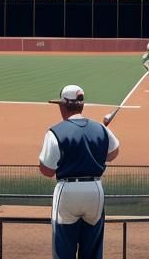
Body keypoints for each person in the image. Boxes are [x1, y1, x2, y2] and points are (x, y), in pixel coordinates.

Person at [39, 84, 120, 259]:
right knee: (92, 249)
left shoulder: (55, 132)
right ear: (81, 105)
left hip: (67, 192)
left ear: (63, 105)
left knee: (64, 249)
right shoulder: (101, 129)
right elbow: (113, 153)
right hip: (95, 190)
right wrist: (93, 152)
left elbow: (46, 170)